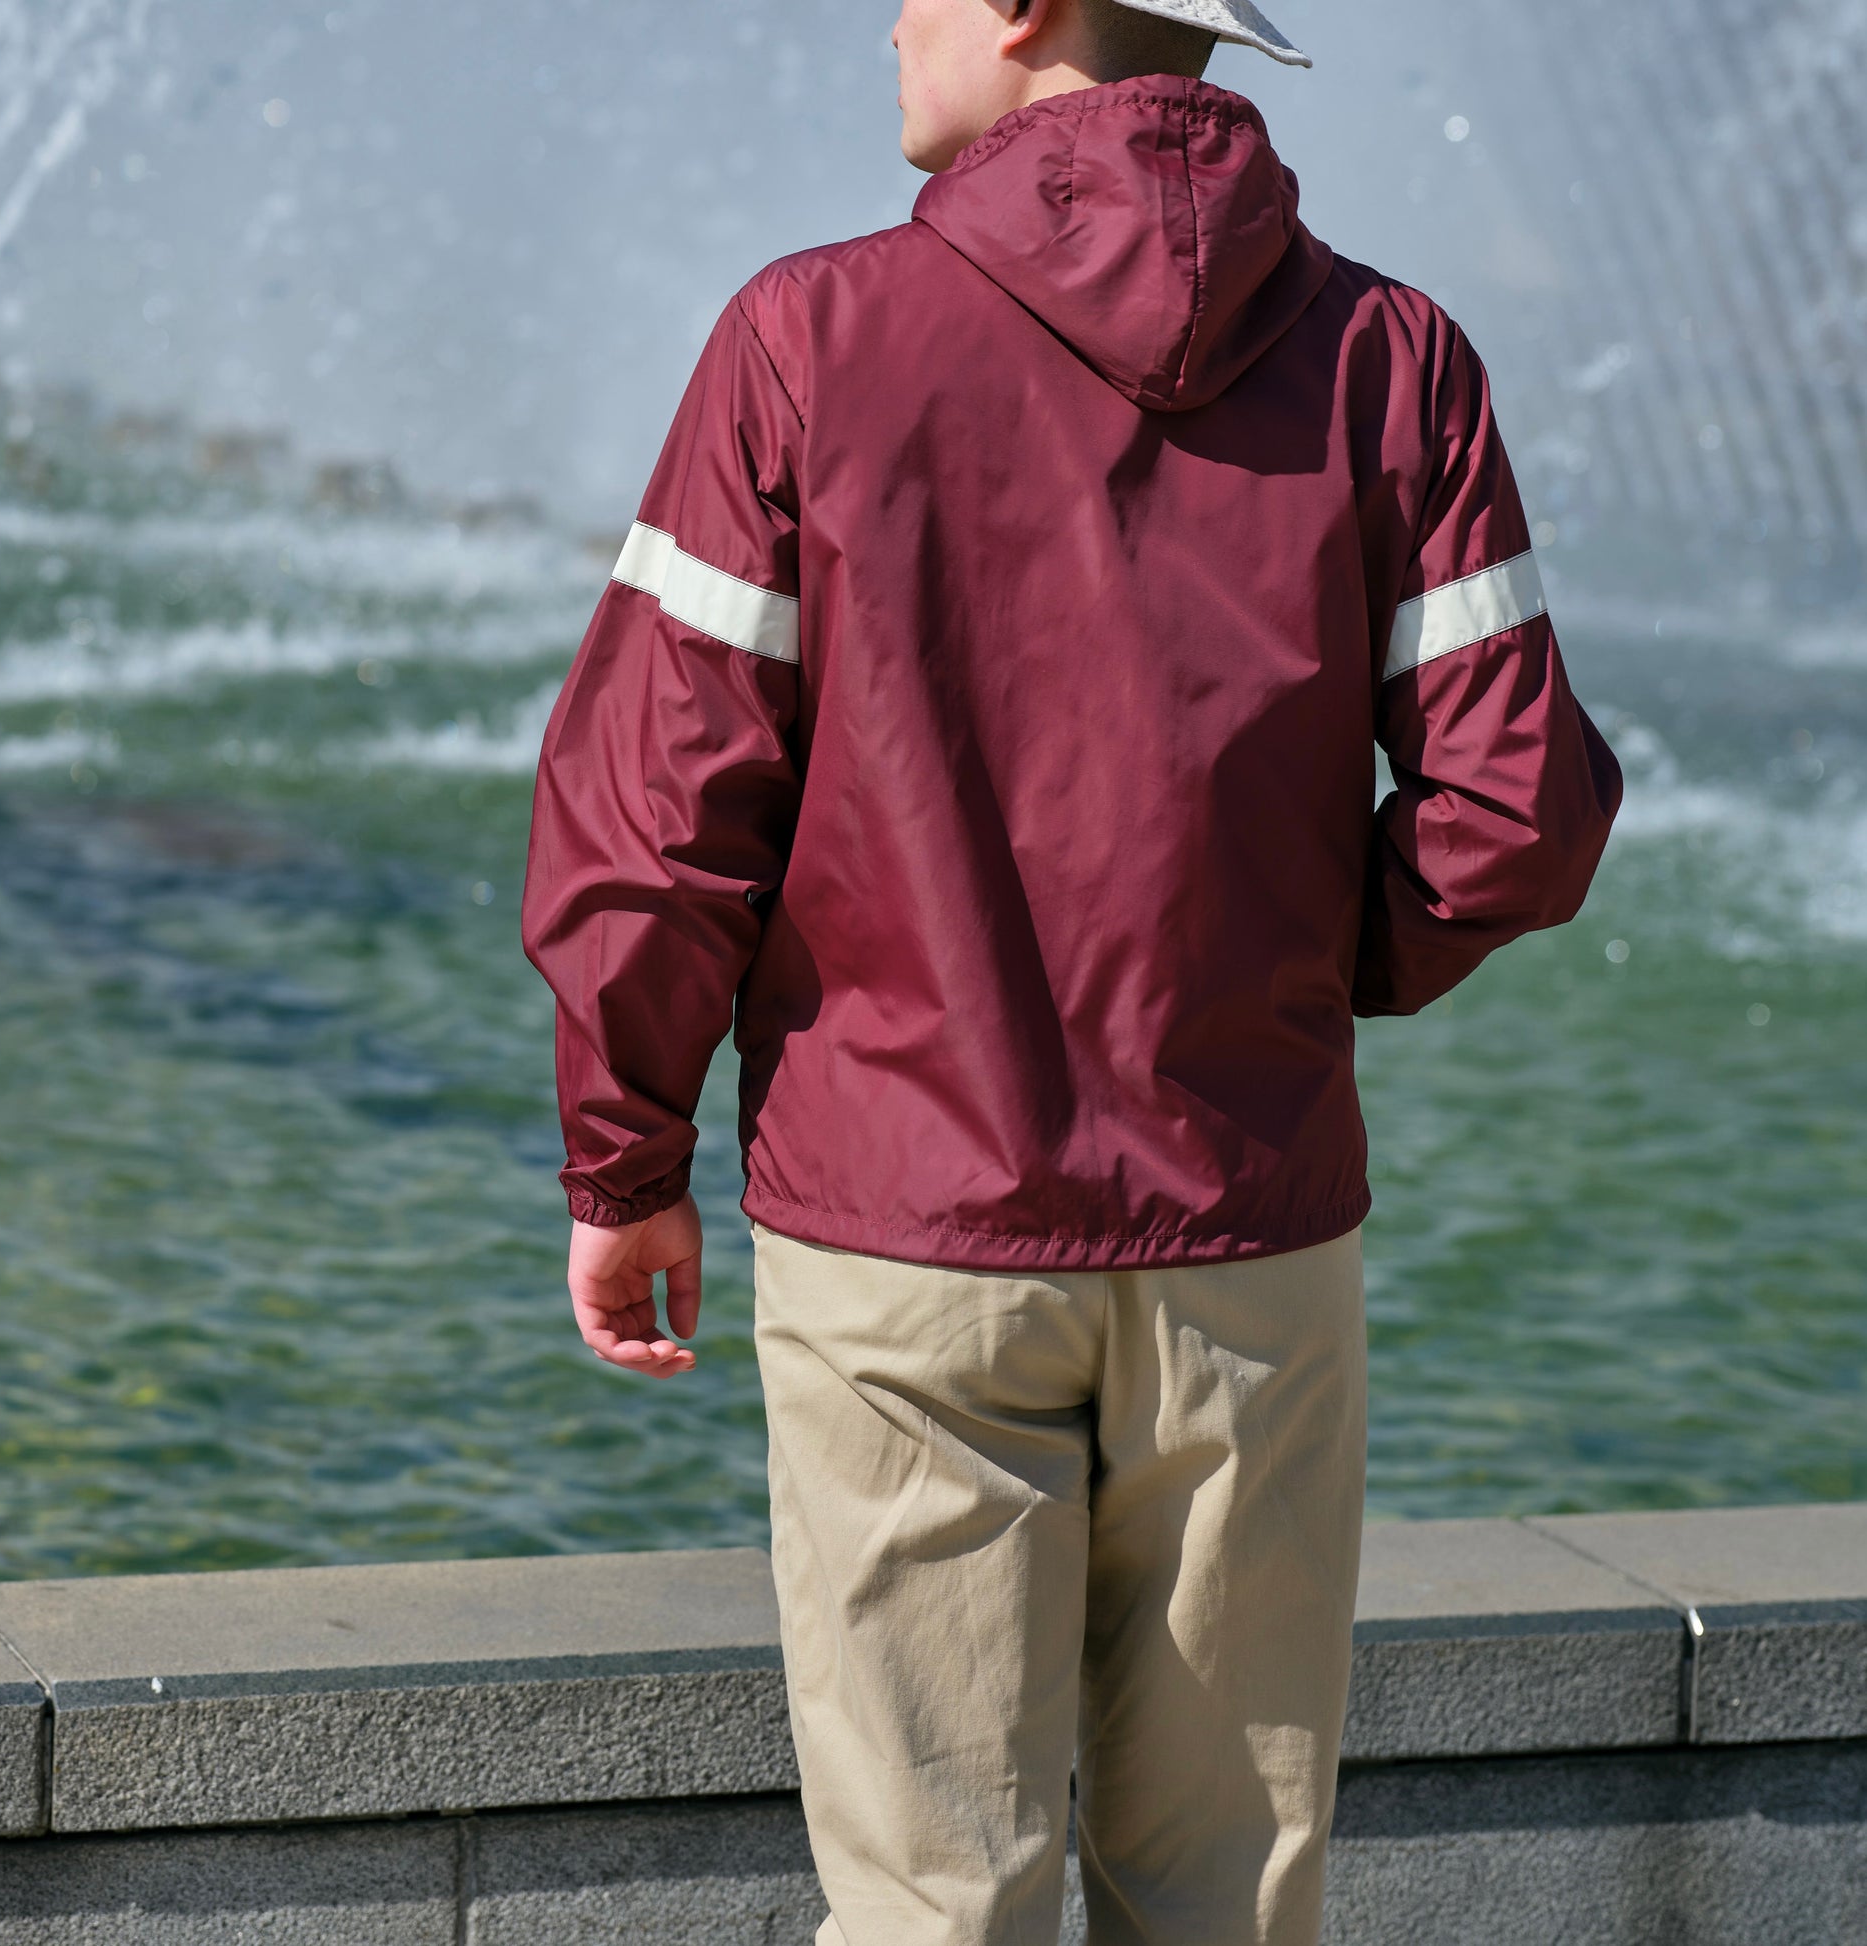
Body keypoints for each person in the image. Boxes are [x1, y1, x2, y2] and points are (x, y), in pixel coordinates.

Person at [522, 0, 1623, 1940]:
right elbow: (1514, 813)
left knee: (930, 1908)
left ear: (1024, 6)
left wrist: (625, 1163)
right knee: (1223, 1909)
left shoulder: (803, 340)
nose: (889, 19)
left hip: (905, 1240)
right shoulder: (1394, 359)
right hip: (1251, 1242)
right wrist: (1288, 974)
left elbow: (652, 819)